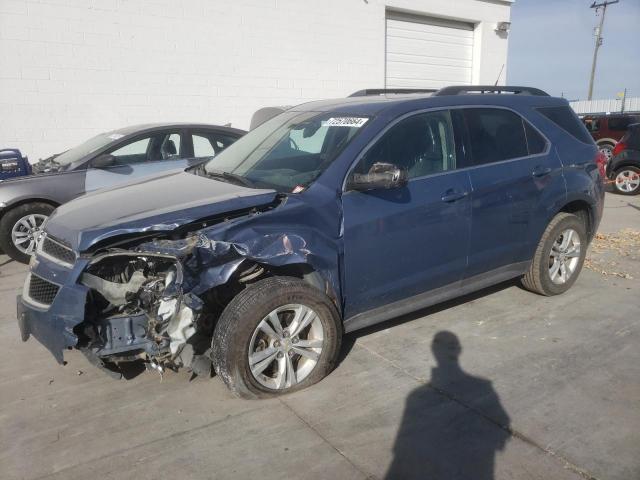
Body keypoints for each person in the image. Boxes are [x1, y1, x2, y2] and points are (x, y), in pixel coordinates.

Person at [386, 331, 511, 480]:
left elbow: (403, 448)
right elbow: (502, 430)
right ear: (459, 350)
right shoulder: (482, 387)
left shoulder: (417, 396)